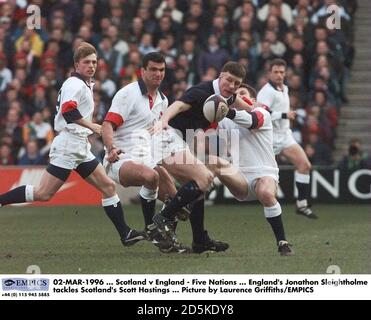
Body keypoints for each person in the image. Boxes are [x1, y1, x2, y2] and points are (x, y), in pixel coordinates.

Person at [0, 42, 145, 247]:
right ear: (77, 65)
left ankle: (125, 234)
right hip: (68, 144)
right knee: (44, 194)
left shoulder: (83, 84)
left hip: (79, 146)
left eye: (94, 62)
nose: (92, 66)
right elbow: (68, 111)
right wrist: (93, 127)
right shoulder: (75, 84)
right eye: (87, 62)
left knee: (108, 186)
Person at [151, 61, 248, 253]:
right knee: (204, 178)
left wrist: (269, 112)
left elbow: (249, 107)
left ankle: (200, 241)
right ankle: (163, 219)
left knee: (199, 188)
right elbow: (177, 106)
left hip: (179, 140)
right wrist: (163, 121)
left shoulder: (228, 97)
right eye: (229, 80)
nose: (232, 86)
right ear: (220, 76)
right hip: (167, 135)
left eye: (237, 83)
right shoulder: (201, 92)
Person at [101, 52, 188, 252]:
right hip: (121, 159)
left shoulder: (163, 100)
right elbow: (107, 125)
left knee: (178, 202)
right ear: (142, 71)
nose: (158, 74)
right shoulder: (128, 94)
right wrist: (111, 148)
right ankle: (152, 228)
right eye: (153, 69)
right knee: (152, 176)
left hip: (146, 158)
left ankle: (167, 242)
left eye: (162, 70)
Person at [208, 83, 293, 256]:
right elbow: (207, 133)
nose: (237, 97)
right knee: (211, 160)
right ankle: (195, 198)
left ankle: (282, 242)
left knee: (266, 193)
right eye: (235, 95)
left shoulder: (262, 113)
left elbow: (252, 122)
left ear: (253, 100)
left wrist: (227, 110)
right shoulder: (225, 121)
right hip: (239, 178)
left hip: (264, 173)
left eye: (242, 93)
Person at [257, 59, 318, 219]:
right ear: (269, 73)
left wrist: (287, 113)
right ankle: (214, 182)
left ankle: (302, 204)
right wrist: (285, 115)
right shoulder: (266, 92)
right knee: (259, 174)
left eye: (282, 72)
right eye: (276, 72)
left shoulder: (284, 88)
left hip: (284, 135)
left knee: (304, 165)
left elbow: (280, 108)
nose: (279, 75)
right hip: (268, 138)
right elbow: (261, 114)